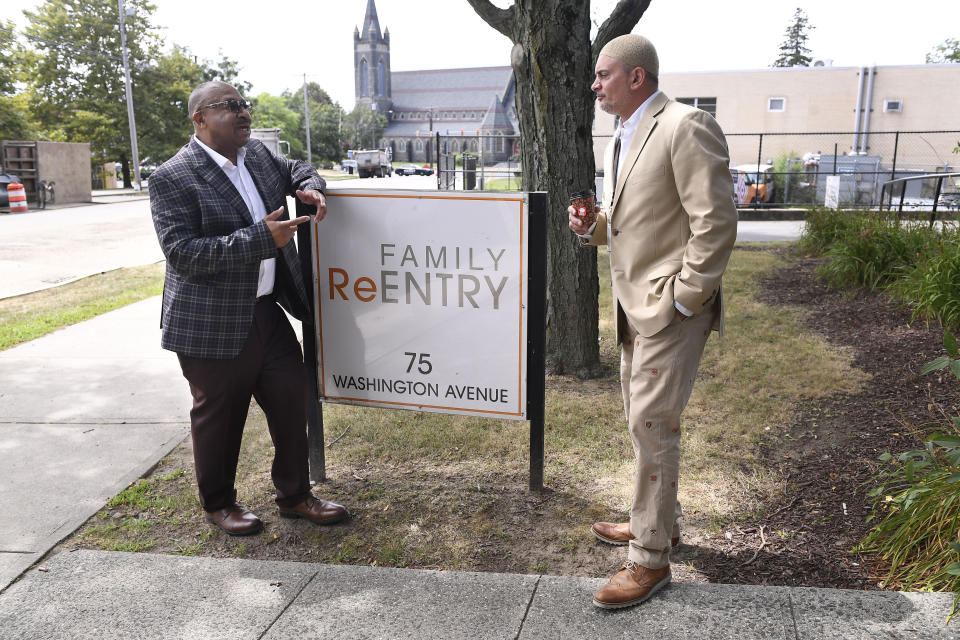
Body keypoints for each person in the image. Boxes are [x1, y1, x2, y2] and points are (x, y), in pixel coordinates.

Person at [569, 35, 737, 608]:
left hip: (666, 308)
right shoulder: (627, 131)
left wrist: (686, 299)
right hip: (632, 305)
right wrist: (593, 225)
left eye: (603, 75)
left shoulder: (685, 125)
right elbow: (637, 216)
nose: (595, 85)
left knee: (652, 423)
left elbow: (714, 221)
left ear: (636, 78)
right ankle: (659, 521)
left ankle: (649, 559)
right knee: (642, 421)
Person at [150, 81, 348, 536]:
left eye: (245, 105)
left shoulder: (256, 155)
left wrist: (309, 187)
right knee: (220, 417)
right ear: (199, 118)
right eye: (230, 107)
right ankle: (219, 504)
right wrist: (262, 240)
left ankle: (296, 497)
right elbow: (183, 252)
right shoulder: (172, 177)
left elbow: (297, 167)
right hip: (210, 323)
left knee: (290, 402)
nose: (243, 114)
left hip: (266, 312)